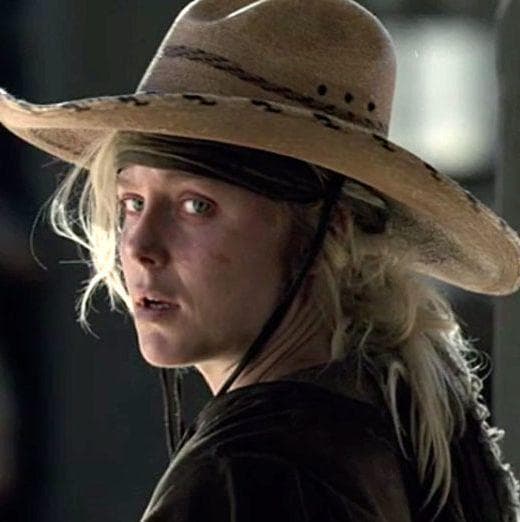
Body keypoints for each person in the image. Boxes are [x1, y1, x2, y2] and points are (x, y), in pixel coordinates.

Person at [1, 0, 519, 520]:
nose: (139, 246)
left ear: (329, 229)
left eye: (196, 206)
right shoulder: (398, 417)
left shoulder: (247, 473)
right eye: (131, 202)